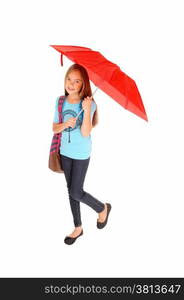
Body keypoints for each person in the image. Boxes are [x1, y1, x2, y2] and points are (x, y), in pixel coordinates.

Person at [52, 63, 112, 245]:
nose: (71, 84)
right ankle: (78, 227)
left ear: (83, 84)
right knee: (71, 191)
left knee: (76, 191)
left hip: (81, 154)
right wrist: (65, 124)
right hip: (64, 152)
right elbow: (54, 128)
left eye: (77, 81)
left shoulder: (89, 104)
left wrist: (86, 110)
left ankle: (102, 208)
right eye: (69, 79)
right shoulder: (60, 101)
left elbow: (86, 132)